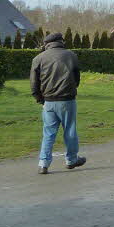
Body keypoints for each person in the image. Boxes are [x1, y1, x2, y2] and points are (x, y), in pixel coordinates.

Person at [30, 32, 86, 174]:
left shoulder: (38, 58)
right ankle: (71, 160)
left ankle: (43, 163)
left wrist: (40, 100)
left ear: (46, 44)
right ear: (61, 41)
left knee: (48, 133)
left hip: (48, 102)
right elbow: (77, 78)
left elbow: (34, 84)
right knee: (70, 130)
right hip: (67, 100)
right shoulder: (71, 55)